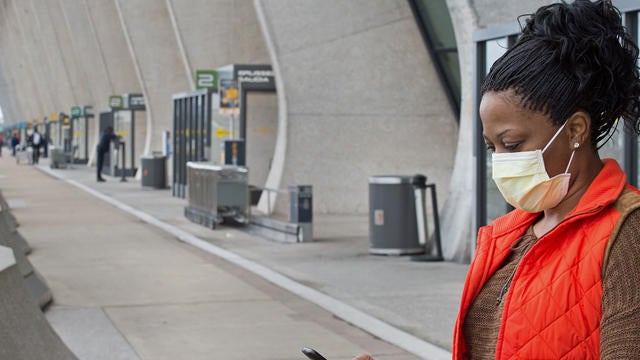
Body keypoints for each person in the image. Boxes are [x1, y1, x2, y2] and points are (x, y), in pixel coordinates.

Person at [353, 1, 640, 359]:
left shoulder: (628, 234)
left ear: (575, 130)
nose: (501, 163)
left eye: (513, 144)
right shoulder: (507, 235)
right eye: (492, 148)